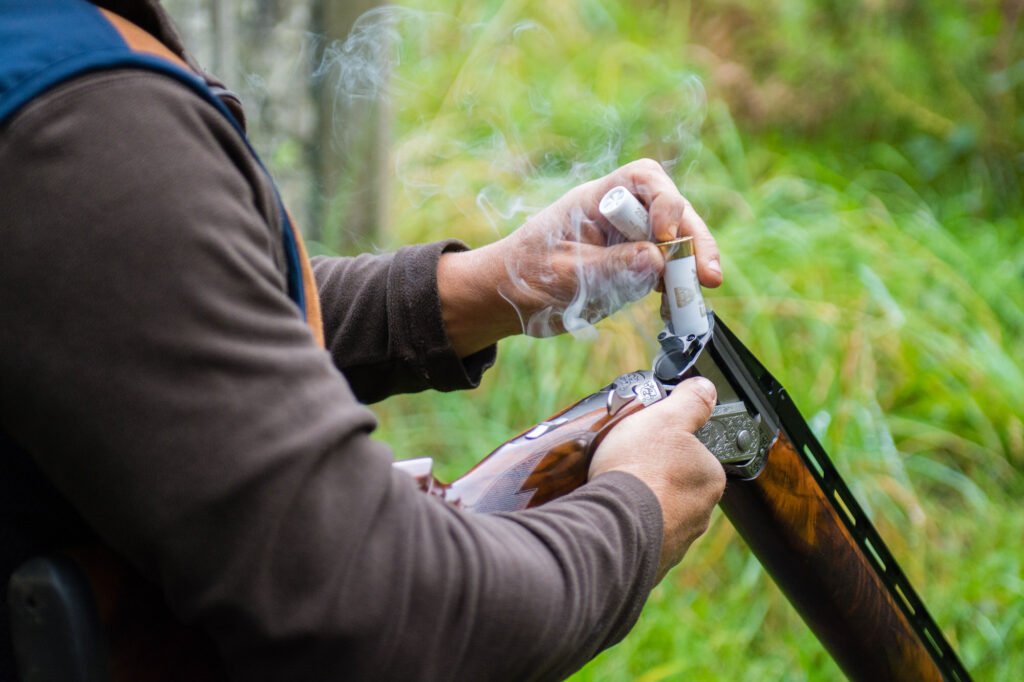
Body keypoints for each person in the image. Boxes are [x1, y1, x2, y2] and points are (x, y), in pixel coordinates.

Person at [0, 0, 726, 679]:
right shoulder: (82, 125)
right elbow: (375, 605)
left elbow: (157, 326)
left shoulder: (49, 67)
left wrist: (487, 284)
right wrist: (632, 514)